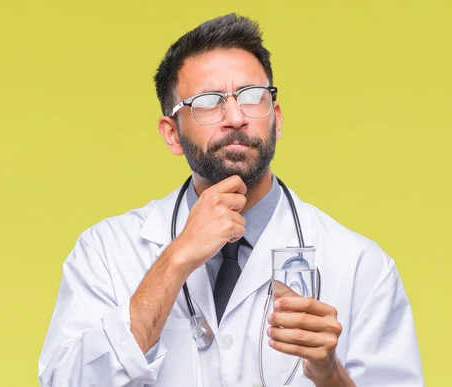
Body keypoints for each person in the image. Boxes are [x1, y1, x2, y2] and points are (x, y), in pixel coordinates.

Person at [37, 13, 424, 387]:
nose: (236, 117)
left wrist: (329, 374)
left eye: (252, 97)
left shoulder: (360, 266)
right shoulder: (105, 252)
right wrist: (176, 258)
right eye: (208, 102)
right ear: (172, 133)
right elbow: (65, 381)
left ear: (277, 117)